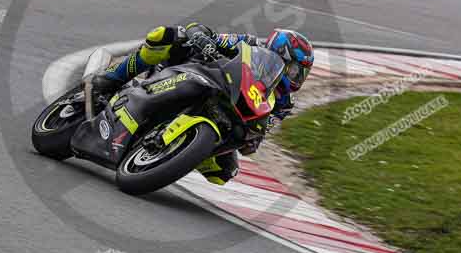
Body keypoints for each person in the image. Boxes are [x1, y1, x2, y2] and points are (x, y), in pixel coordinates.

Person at [93, 23, 314, 185]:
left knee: (224, 173)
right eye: (294, 70)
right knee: (165, 35)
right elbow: (205, 32)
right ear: (278, 52)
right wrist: (204, 40)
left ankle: (175, 152)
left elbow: (262, 130)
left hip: (226, 112)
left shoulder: (284, 103)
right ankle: (113, 77)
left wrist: (253, 139)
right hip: (197, 73)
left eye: (301, 74)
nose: (296, 78)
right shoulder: (249, 44)